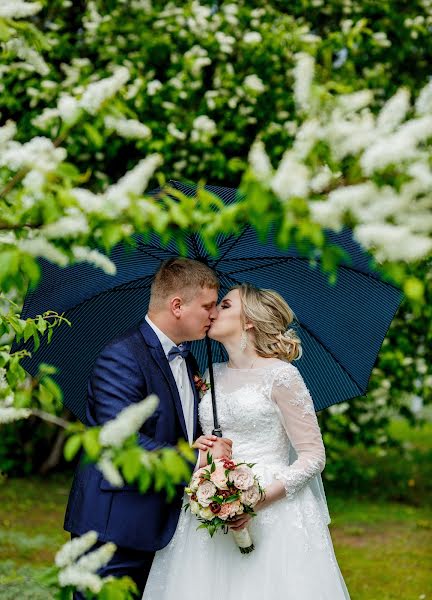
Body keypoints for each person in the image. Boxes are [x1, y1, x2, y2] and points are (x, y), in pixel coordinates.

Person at [143, 283, 351, 600]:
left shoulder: (282, 376)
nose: (213, 311)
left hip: (273, 504)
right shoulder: (210, 375)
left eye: (224, 305)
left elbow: (312, 455)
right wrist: (204, 449)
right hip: (210, 497)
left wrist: (256, 499)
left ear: (250, 320)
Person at [63, 257, 233, 599]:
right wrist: (197, 461)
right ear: (177, 306)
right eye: (208, 306)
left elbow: (172, 428)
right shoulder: (122, 357)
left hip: (164, 526)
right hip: (114, 528)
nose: (214, 315)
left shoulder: (188, 358)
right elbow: (121, 441)